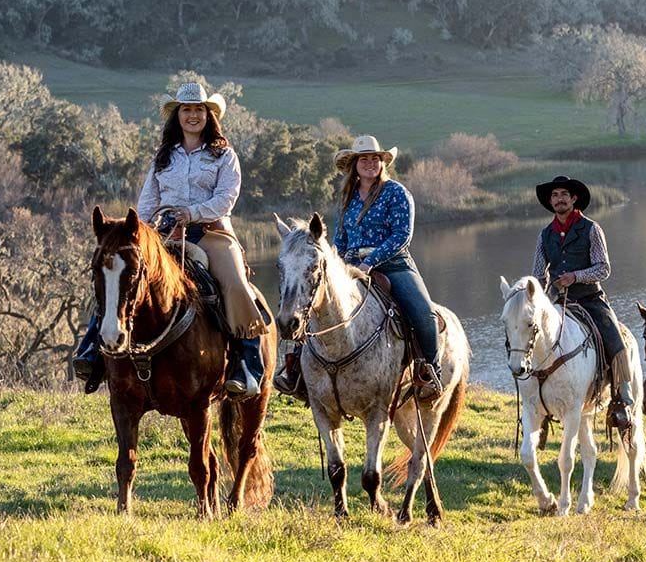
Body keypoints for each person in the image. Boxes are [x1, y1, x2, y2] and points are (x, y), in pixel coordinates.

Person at [73, 82, 269, 396]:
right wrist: (140, 231)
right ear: (177, 116)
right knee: (121, 275)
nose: (193, 116)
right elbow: (148, 202)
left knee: (235, 282)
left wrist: (191, 213)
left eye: (199, 110)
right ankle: (93, 350)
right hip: (164, 234)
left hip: (210, 232)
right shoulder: (164, 157)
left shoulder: (223, 155)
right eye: (187, 110)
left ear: (209, 115)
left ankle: (246, 366)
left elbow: (226, 199)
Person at [277, 134, 443, 400]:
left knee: (424, 313)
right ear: (354, 164)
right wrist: (337, 265)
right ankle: (296, 370)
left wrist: (370, 262)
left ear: (382, 163)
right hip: (350, 266)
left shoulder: (397, 193)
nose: (370, 163)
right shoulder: (348, 198)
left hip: (393, 264)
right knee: (313, 305)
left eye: (375, 158)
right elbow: (341, 240)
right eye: (364, 159)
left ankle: (430, 373)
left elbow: (401, 236)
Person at [530, 175, 632, 429]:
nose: (559, 199)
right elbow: (538, 273)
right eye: (555, 195)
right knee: (531, 341)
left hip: (589, 299)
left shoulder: (591, 228)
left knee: (614, 338)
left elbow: (603, 268)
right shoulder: (545, 235)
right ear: (550, 201)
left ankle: (622, 398)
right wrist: (535, 296)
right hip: (558, 301)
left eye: (564, 194)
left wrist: (576, 276)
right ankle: (537, 405)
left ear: (574, 199)